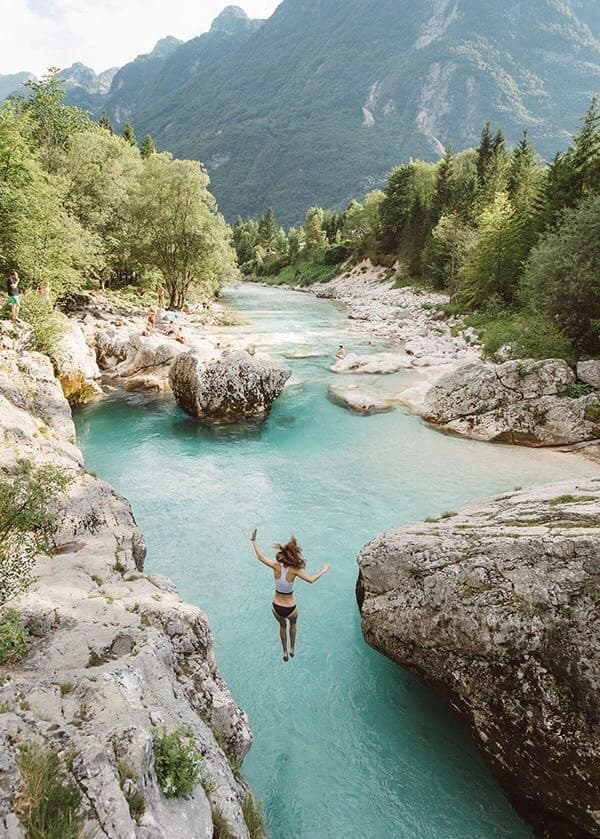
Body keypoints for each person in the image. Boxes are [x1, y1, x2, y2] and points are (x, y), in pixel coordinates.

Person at [251, 528, 330, 662]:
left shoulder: (275, 566)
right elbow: (311, 580)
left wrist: (254, 541)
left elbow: (260, 557)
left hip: (276, 607)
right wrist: (323, 570)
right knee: (293, 625)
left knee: (282, 626)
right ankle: (292, 648)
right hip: (290, 608)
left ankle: (284, 651)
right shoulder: (295, 570)